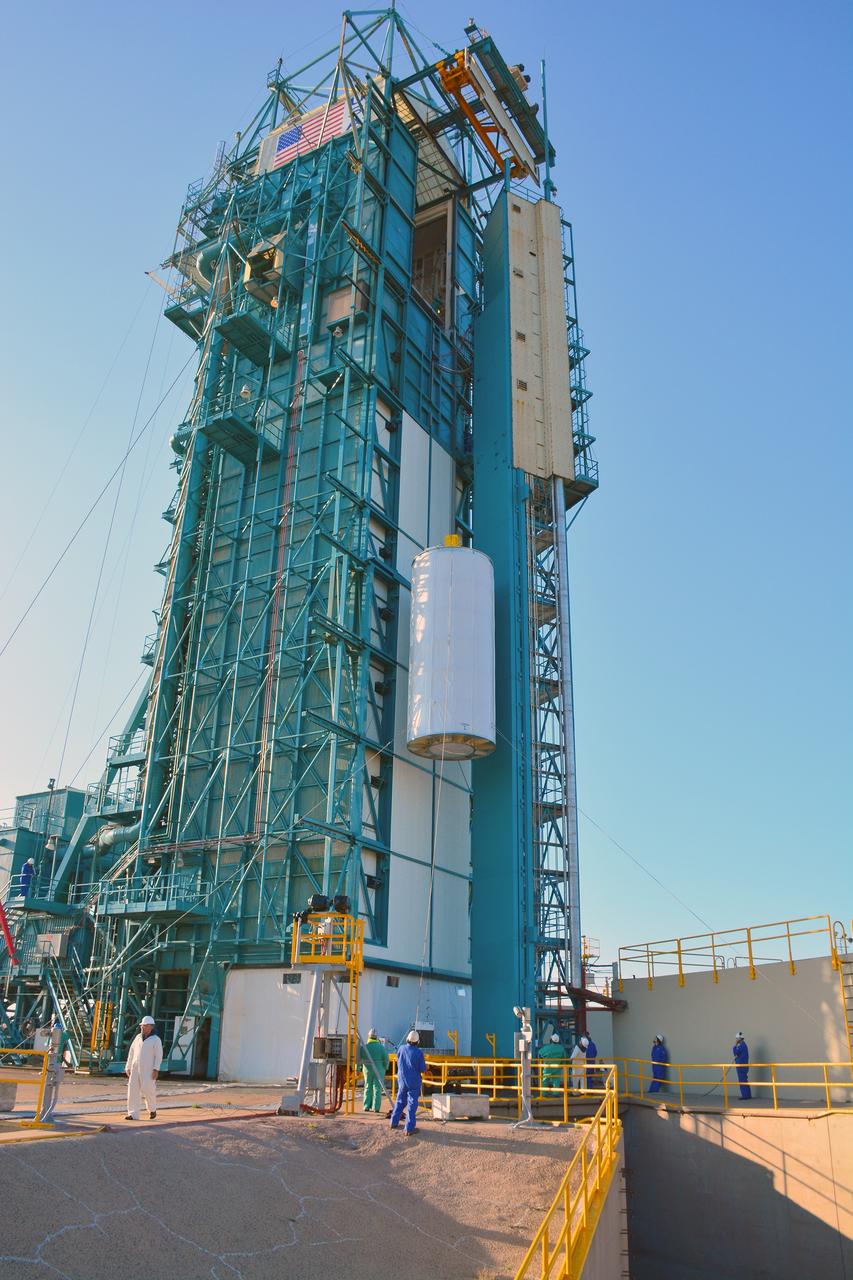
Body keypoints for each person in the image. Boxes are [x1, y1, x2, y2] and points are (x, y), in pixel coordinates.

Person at [125, 1015, 163, 1120]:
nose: (142, 1027)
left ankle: (152, 1109)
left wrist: (156, 1069)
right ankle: (133, 1114)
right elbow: (131, 1052)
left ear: (151, 1027)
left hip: (148, 1070)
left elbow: (159, 1056)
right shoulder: (138, 1038)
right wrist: (128, 1066)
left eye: (145, 1026)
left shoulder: (156, 1040)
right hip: (135, 1068)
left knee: (148, 1090)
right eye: (142, 1026)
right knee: (132, 1090)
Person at [390, 1029, 426, 1136]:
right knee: (412, 1103)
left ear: (407, 1039)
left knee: (400, 1101)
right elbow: (422, 1069)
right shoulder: (419, 1053)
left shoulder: (401, 1048)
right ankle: (409, 1128)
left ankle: (393, 1122)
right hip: (413, 1081)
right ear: (418, 1041)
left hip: (402, 1079)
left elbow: (399, 1060)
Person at [361, 1028, 389, 1113]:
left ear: (369, 1036)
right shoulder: (381, 1047)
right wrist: (385, 1067)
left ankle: (366, 1106)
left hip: (367, 1070)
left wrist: (357, 1068)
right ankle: (376, 1108)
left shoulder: (364, 1047)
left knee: (367, 1086)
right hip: (379, 1069)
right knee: (377, 1088)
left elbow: (358, 1058)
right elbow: (386, 1059)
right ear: (376, 1037)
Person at [732, 1032, 751, 1100]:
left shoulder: (741, 1046)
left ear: (739, 1039)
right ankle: (748, 1095)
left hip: (741, 1066)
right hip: (743, 1065)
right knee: (744, 1080)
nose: (736, 1040)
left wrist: (735, 1045)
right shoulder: (743, 1045)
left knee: (742, 1080)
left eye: (737, 1039)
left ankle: (745, 1095)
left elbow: (735, 1052)